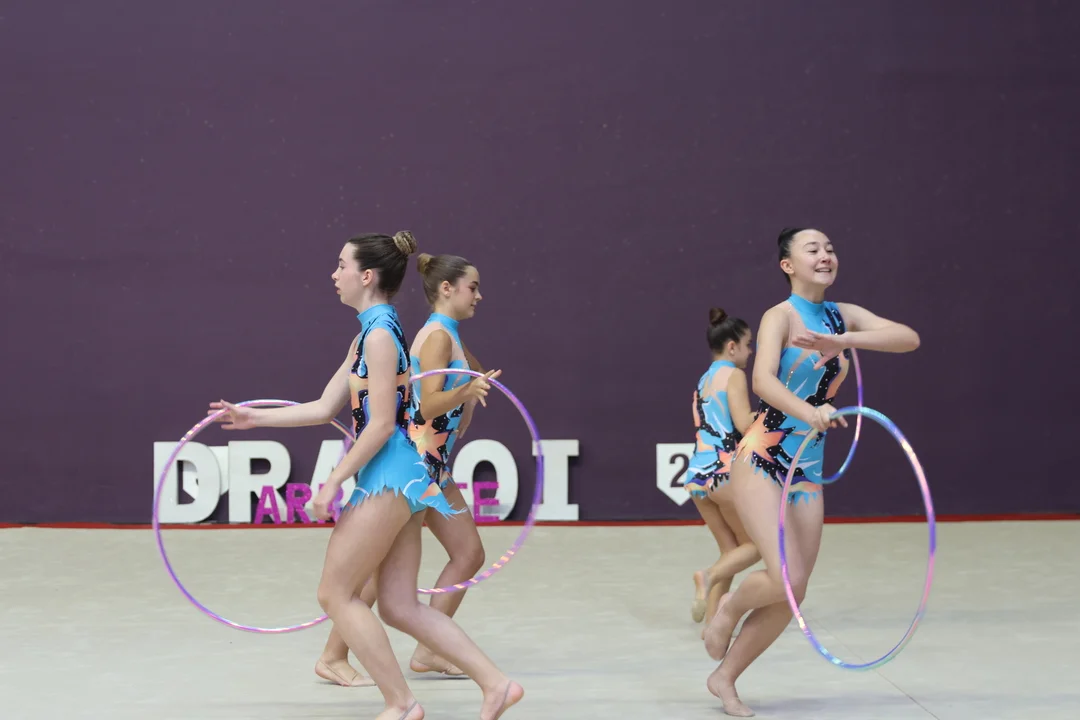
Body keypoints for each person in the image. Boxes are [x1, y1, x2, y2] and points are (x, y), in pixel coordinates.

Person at [208, 232, 523, 720]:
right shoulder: (370, 332)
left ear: (367, 276)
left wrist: (334, 481)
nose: (334, 275)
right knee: (398, 605)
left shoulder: (379, 337)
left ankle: (401, 703)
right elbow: (323, 407)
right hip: (406, 476)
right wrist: (254, 418)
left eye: (341, 266)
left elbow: (381, 425)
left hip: (390, 476)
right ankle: (496, 685)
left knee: (334, 593)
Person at [702, 228, 920, 717]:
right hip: (763, 457)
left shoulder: (844, 315)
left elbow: (908, 338)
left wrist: (842, 339)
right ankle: (729, 607)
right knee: (785, 576)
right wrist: (809, 410)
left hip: (808, 470)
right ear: (788, 265)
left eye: (830, 249)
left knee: (794, 591)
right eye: (813, 249)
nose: (825, 256)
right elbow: (762, 381)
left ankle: (725, 676)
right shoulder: (779, 315)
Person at [315, 252, 497, 682]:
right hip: (418, 465)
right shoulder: (435, 337)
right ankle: (389, 655)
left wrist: (469, 391)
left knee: (404, 567)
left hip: (432, 463)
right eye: (472, 287)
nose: (479, 296)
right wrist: (466, 393)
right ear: (447, 288)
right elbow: (429, 405)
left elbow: (469, 379)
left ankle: (345, 656)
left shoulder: (447, 334)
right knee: (397, 571)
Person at [687, 308, 761, 629]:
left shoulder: (704, 379)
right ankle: (707, 575)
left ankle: (713, 626)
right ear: (732, 347)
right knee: (754, 546)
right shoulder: (734, 375)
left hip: (697, 475)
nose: (751, 351)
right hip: (723, 471)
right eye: (748, 344)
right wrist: (776, 415)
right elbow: (744, 424)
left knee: (730, 549)